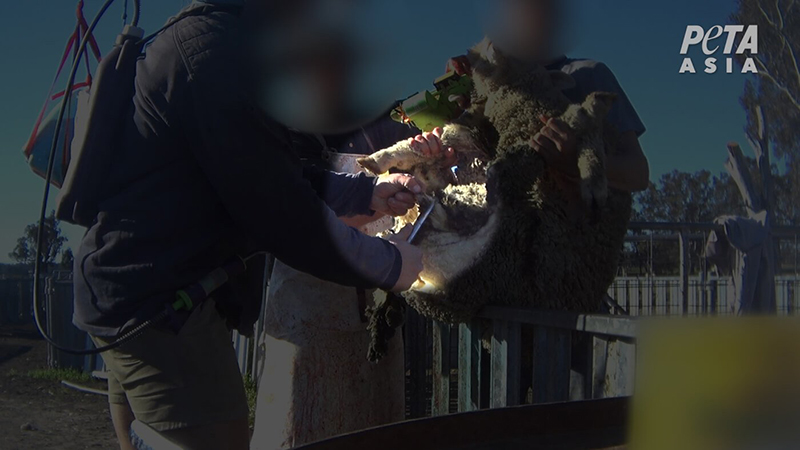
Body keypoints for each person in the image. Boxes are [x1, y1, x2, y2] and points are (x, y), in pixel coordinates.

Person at [71, 2, 439, 449]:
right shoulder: (214, 55)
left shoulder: (208, 41)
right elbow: (281, 216)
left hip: (126, 289)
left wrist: (364, 194)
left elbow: (264, 172)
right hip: (159, 310)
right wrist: (390, 264)